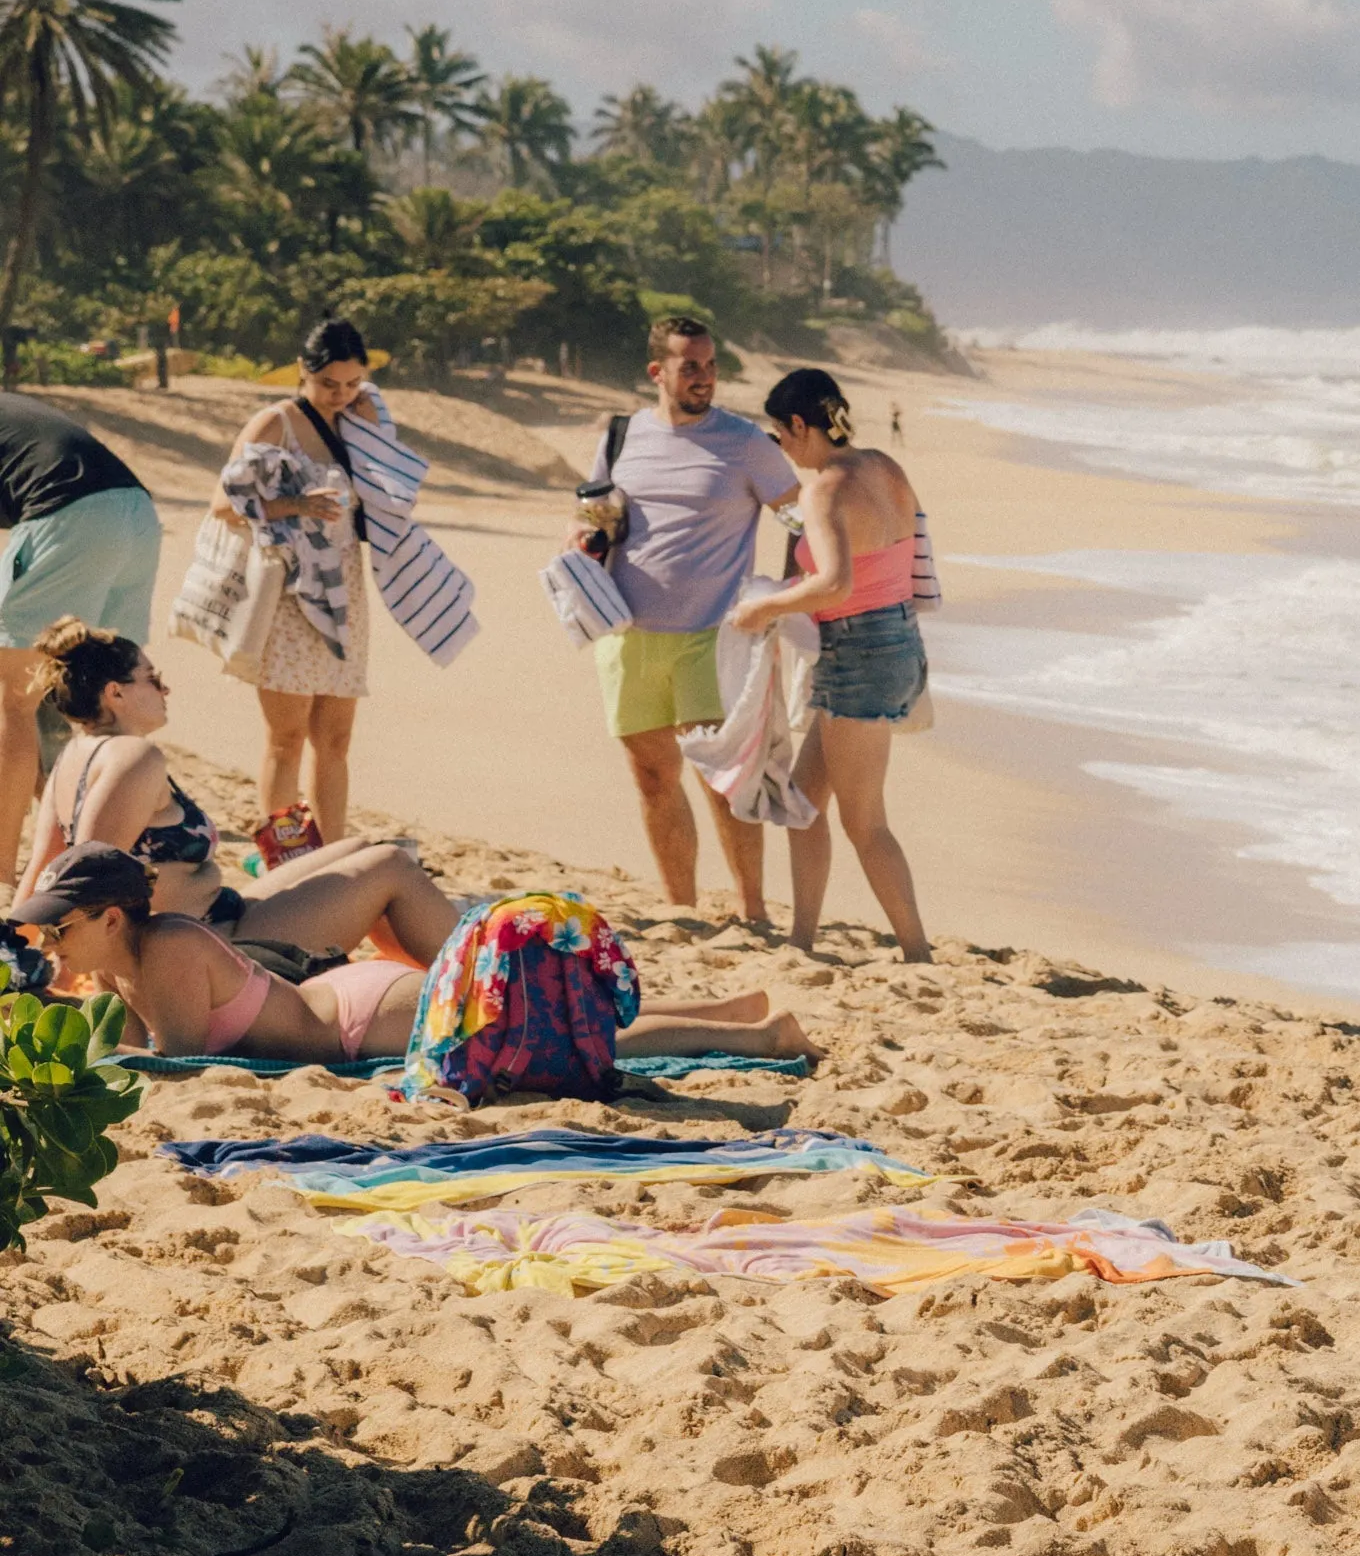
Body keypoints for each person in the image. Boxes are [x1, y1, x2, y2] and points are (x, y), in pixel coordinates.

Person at [5, 843, 811, 1070]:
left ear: (112, 917)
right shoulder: (117, 965)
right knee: (540, 1025)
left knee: (559, 1042)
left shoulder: (171, 949)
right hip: (352, 999)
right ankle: (724, 1011)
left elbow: (173, 1059)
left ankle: (758, 1037)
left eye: (59, 926)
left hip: (359, 1018)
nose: (50, 940)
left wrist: (82, 1045)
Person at [19, 623, 459, 961]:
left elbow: (42, 872)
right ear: (116, 692)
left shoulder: (73, 757)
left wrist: (13, 946)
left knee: (358, 848)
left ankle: (434, 980)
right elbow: (88, 878)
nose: (165, 688)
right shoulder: (134, 757)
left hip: (218, 918)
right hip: (209, 947)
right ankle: (481, 989)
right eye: (153, 678)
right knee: (391, 865)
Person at [573, 316, 799, 923]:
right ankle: (682, 910)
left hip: (714, 636)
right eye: (690, 366)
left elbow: (800, 521)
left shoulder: (747, 442)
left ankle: (753, 912)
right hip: (628, 634)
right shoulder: (621, 436)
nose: (704, 378)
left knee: (724, 781)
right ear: (658, 372)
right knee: (652, 778)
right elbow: (599, 516)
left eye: (710, 365)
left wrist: (784, 602)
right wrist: (587, 536)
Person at [726, 367, 932, 960]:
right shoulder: (884, 467)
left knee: (864, 821)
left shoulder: (824, 488)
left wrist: (763, 609)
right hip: (898, 641)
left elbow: (835, 584)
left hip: (859, 651)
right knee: (801, 802)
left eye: (780, 436)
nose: (781, 450)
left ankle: (918, 952)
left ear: (798, 424)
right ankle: (802, 940)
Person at [200, 321, 395, 851]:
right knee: (286, 740)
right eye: (330, 383)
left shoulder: (357, 421)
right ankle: (285, 855)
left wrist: (371, 425)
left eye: (354, 383)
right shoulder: (275, 423)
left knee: (335, 740)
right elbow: (224, 504)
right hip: (288, 594)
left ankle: (330, 853)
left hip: (345, 593)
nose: (341, 395)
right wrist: (297, 506)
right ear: (305, 372)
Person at [0, 387, 156, 788]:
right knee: (100, 701)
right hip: (136, 513)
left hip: (69, 517)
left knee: (15, 702)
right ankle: (103, 834)